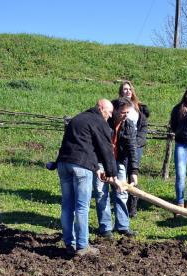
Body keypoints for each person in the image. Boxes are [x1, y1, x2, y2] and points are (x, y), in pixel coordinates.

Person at [56, 99, 122, 257]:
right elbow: (106, 149)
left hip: (64, 164)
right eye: (109, 111)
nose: (111, 115)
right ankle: (83, 246)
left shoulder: (78, 118)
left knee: (67, 206)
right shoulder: (99, 122)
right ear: (100, 108)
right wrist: (112, 175)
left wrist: (95, 169)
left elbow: (82, 146)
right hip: (80, 168)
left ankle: (69, 243)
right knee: (82, 206)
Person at [93, 97, 138, 239]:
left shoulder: (129, 125)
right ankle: (105, 228)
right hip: (101, 161)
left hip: (119, 162)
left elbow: (132, 148)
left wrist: (134, 171)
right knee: (101, 193)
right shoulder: (104, 122)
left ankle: (123, 226)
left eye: (127, 113)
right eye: (123, 112)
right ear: (115, 110)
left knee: (121, 192)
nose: (126, 115)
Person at [118, 80, 150, 218]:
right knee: (122, 173)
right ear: (121, 91)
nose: (127, 91)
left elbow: (143, 128)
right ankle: (121, 204)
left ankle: (132, 208)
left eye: (129, 89)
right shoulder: (117, 106)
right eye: (125, 89)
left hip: (136, 145)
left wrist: (136, 142)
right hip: (121, 145)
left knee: (133, 173)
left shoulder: (139, 108)